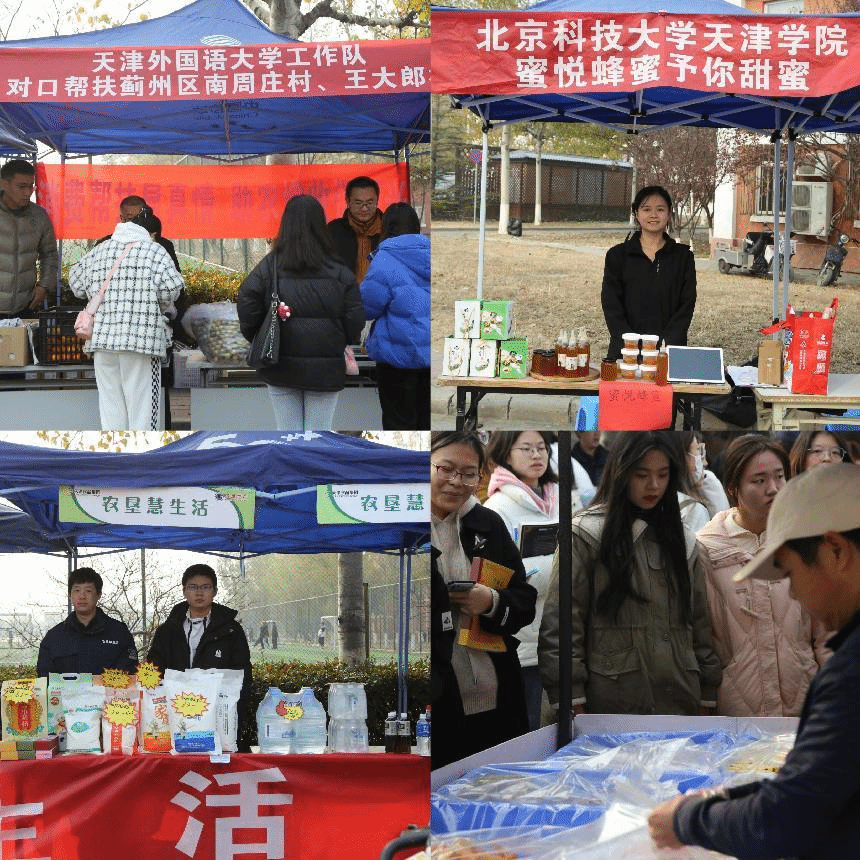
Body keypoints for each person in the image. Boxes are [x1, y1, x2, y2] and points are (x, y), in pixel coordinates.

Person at [648, 463, 860, 859]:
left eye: (790, 573)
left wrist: (687, 819)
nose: (793, 594)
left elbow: (788, 819)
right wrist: (731, 800)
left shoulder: (851, 675)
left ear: (835, 551)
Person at [539, 431, 721, 718]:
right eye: (641, 475)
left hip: (677, 699)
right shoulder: (585, 535)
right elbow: (562, 626)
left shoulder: (683, 538)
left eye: (663, 475)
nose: (654, 485)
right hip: (609, 702)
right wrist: (572, 698)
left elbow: (699, 623)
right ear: (621, 473)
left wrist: (708, 694)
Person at [696, 434, 827, 717]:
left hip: (804, 701)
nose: (774, 488)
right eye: (759, 481)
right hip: (735, 708)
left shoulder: (804, 539)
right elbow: (700, 638)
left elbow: (826, 632)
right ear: (733, 487)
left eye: (780, 477)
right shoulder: (706, 549)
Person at [430, 430, 537, 769]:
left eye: (468, 473)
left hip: (496, 692)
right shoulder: (407, 527)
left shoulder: (488, 523)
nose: (456, 482)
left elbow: (524, 600)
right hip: (437, 698)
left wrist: (490, 601)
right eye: (446, 469)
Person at [237, 194, 365, 430]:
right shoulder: (339, 270)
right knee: (319, 436)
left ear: (286, 224)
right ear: (321, 226)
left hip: (279, 363)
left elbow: (246, 299)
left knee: (287, 435)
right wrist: (341, 338)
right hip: (326, 367)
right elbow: (355, 319)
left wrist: (258, 333)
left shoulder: (270, 265)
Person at [483, 431, 577, 732]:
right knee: (531, 726)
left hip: (564, 633)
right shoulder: (496, 508)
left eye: (541, 448)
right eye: (526, 448)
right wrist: (546, 571)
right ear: (506, 455)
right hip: (525, 641)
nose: (536, 455)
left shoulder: (565, 497)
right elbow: (498, 578)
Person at [69, 208, 184, 430]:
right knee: (142, 410)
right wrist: (153, 302)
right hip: (141, 342)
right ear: (149, 233)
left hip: (102, 342)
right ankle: (142, 451)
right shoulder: (154, 251)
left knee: (110, 408)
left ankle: (115, 450)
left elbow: (75, 283)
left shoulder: (100, 249)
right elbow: (172, 288)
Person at [147, 564, 252, 747]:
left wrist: (234, 714)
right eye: (193, 587)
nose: (199, 592)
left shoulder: (232, 631)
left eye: (205, 587)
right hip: (175, 715)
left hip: (216, 717)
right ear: (184, 591)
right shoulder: (167, 631)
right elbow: (154, 671)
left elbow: (243, 677)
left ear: (215, 591)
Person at [601, 185, 696, 361]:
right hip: (626, 351)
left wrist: (663, 346)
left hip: (668, 351)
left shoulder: (683, 257)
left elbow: (686, 305)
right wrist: (630, 344)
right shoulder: (617, 256)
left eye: (660, 209)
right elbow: (611, 305)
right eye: (646, 209)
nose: (653, 215)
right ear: (636, 214)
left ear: (669, 214)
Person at [359, 202, 430, 430]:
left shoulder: (385, 259)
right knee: (425, 422)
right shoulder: (432, 253)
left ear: (386, 227)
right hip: (430, 358)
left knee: (399, 424)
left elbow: (367, 307)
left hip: (396, 359)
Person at [37, 567, 138, 676]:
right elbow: (44, 677)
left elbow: (129, 673)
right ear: (70, 595)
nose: (82, 596)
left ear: (98, 595)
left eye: (88, 591)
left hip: (111, 687)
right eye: (77, 590)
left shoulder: (119, 632)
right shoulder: (54, 637)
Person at [0, 159, 58, 318]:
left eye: (30, 186)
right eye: (21, 186)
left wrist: (44, 286)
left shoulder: (39, 216)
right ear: (5, 184)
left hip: (25, 307)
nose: (27, 192)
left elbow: (50, 254)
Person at [327, 176, 383, 282]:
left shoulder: (389, 231)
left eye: (369, 203)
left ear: (377, 201)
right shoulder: (333, 231)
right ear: (347, 201)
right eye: (358, 203)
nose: (364, 208)